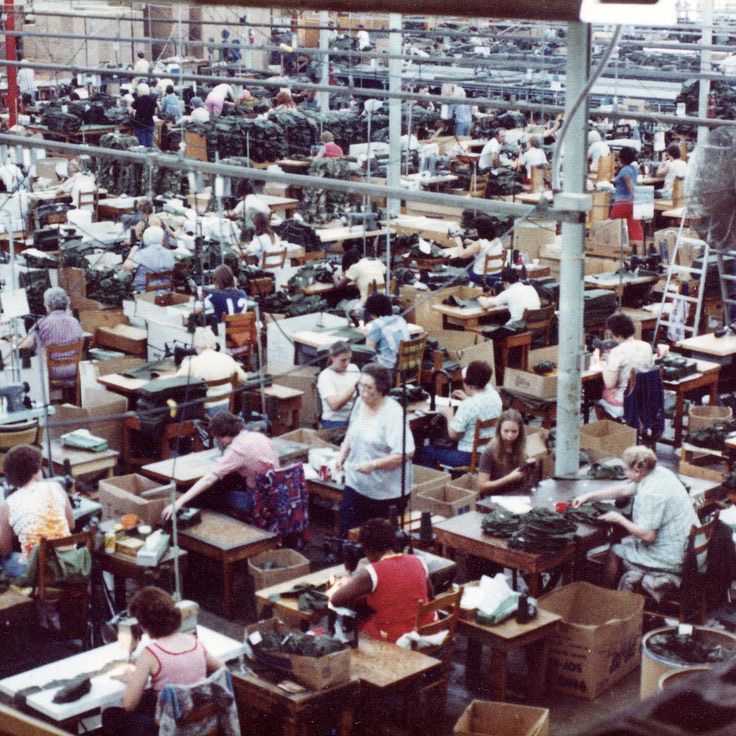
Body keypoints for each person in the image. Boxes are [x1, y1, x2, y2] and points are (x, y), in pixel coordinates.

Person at [571, 446, 699, 591]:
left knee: (615, 551)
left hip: (672, 558)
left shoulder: (650, 494)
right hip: (687, 549)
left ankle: (607, 596)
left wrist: (619, 519)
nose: (624, 472)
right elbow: (625, 490)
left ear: (638, 470)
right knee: (623, 543)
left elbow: (648, 536)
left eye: (625, 469)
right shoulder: (660, 473)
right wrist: (588, 496)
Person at [101, 586, 223, 736]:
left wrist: (134, 679)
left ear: (144, 626)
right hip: (200, 725)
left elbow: (128, 705)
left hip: (170, 729)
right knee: (148, 699)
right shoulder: (195, 643)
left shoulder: (150, 654)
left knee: (110, 714)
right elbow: (222, 670)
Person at [335, 364, 414, 537]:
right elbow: (352, 430)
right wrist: (342, 454)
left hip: (385, 492)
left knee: (377, 540)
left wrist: (374, 464)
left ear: (382, 389)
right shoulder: (360, 403)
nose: (362, 391)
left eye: (368, 387)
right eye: (360, 385)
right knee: (347, 531)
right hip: (357, 482)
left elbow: (405, 453)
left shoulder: (393, 414)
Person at [161, 412, 279, 522]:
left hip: (256, 500)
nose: (218, 442)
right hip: (275, 492)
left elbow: (209, 478)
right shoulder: (256, 436)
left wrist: (179, 502)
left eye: (218, 439)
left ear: (227, 435)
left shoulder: (237, 449)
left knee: (210, 496)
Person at [330, 518, 433, 643]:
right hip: (428, 631)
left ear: (366, 548)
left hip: (400, 640)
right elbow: (430, 596)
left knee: (361, 624)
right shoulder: (418, 561)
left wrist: (351, 586)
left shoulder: (372, 572)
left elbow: (335, 600)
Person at [0, 444, 74, 578]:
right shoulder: (56, 487)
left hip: (40, 573)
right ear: (35, 471)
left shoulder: (8, 504)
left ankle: (24, 595)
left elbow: (5, 549)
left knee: (4, 559)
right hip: (69, 564)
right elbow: (71, 525)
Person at [419, 360, 501, 469]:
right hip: (490, 452)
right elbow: (480, 404)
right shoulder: (494, 395)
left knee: (427, 451)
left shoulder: (468, 405)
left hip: (468, 455)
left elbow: (454, 435)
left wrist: (449, 415)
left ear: (469, 385)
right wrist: (468, 398)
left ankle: (435, 483)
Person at [176, 327, 247, 416]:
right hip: (227, 407)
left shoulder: (192, 364)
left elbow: (175, 383)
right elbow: (243, 378)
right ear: (214, 344)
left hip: (205, 411)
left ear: (196, 346)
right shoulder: (227, 359)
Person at [597, 312, 654, 420]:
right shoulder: (646, 346)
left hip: (626, 401)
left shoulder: (617, 352)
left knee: (596, 394)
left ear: (615, 334)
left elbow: (609, 384)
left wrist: (601, 364)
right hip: (645, 398)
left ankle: (609, 431)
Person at [19, 287, 83, 380]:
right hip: (73, 369)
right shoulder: (74, 321)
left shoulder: (42, 323)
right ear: (66, 303)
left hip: (53, 371)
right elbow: (80, 339)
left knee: (28, 365)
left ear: (48, 305)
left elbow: (25, 345)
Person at [477, 409, 536, 496]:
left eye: (514, 431)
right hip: (497, 496)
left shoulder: (519, 447)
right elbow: (482, 486)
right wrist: (508, 478)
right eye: (506, 431)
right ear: (499, 430)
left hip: (516, 494)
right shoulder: (489, 452)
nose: (510, 436)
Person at [448, 215, 504, 287]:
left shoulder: (479, 244)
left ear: (480, 230)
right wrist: (471, 242)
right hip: (497, 274)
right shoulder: (498, 240)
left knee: (464, 265)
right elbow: (486, 246)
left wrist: (459, 242)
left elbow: (462, 255)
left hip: (481, 276)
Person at [317, 341, 360, 429]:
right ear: (333, 357)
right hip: (334, 422)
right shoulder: (325, 376)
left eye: (349, 359)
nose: (347, 363)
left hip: (354, 417)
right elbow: (334, 405)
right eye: (343, 360)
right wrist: (354, 388)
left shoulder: (353, 368)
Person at [123, 225, 176, 293]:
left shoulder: (142, 254)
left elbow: (126, 267)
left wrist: (132, 251)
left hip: (143, 291)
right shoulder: (170, 253)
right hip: (165, 290)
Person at [364, 293, 410, 371]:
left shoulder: (377, 324)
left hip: (389, 367)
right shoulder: (400, 319)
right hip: (406, 364)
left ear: (370, 310)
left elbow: (368, 351)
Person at [610, 146, 644, 245]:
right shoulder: (634, 168)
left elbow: (629, 185)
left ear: (621, 158)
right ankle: (639, 247)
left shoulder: (624, 171)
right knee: (635, 228)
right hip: (632, 203)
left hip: (622, 203)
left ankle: (615, 246)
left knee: (614, 225)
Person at [129, 82, 157, 147]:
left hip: (139, 124)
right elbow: (155, 112)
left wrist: (131, 116)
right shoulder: (152, 99)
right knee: (149, 144)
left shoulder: (137, 100)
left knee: (142, 144)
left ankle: (142, 156)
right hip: (150, 123)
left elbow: (130, 110)